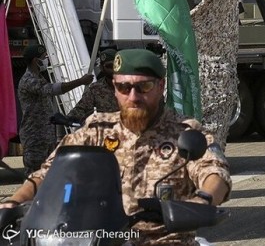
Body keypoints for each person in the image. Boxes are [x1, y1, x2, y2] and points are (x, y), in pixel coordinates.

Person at [2, 49, 232, 245]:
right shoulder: (97, 130)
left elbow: (215, 171)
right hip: (97, 239)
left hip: (163, 240)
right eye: (124, 88)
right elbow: (50, 171)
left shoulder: (185, 132)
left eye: (144, 87)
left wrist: (203, 200)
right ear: (114, 88)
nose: (133, 96)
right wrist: (13, 202)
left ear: (161, 86)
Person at [17, 44, 93, 174]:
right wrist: (80, 81)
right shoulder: (29, 80)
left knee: (47, 174)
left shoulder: (39, 77)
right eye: (44, 57)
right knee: (34, 175)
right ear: (36, 60)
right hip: (35, 136)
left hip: (45, 135)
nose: (46, 60)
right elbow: (53, 89)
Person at [67, 48, 119, 123]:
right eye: (109, 66)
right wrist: (68, 118)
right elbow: (81, 108)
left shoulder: (132, 84)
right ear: (101, 68)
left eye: (115, 65)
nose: (113, 69)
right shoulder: (96, 89)